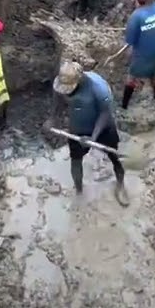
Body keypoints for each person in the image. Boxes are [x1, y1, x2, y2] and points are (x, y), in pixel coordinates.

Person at [52, 60, 129, 205]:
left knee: (115, 157)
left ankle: (120, 185)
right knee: (75, 160)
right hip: (77, 128)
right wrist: (52, 119)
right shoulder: (61, 84)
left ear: (79, 80)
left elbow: (105, 114)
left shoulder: (98, 87)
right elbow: (57, 98)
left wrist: (93, 138)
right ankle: (79, 192)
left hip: (102, 127)